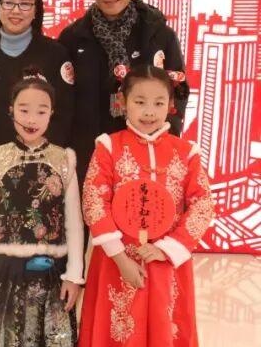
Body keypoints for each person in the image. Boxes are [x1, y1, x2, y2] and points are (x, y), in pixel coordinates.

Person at [79, 65, 215, 347]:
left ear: (171, 105)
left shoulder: (186, 152)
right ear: (122, 102)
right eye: (140, 102)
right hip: (117, 261)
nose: (149, 112)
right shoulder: (108, 147)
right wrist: (120, 257)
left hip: (166, 263)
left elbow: (202, 204)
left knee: (165, 328)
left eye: (158, 103)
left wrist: (167, 249)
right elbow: (94, 200)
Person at [0, 70, 83, 346]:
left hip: (51, 274)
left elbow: (74, 223)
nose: (32, 120)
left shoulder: (64, 159)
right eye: (24, 110)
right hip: (5, 272)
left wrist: (74, 276)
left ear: (51, 113)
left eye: (41, 112)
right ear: (11, 111)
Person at [58, 0, 188, 182]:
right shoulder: (73, 37)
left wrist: (166, 138)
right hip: (88, 153)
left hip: (145, 151)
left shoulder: (158, 35)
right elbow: (61, 97)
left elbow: (178, 90)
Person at [0, 0, 74, 153]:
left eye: (25, 4)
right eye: (8, 3)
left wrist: (42, 152)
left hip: (43, 158)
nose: (16, 10)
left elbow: (65, 113)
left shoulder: (56, 54)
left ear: (36, 11)